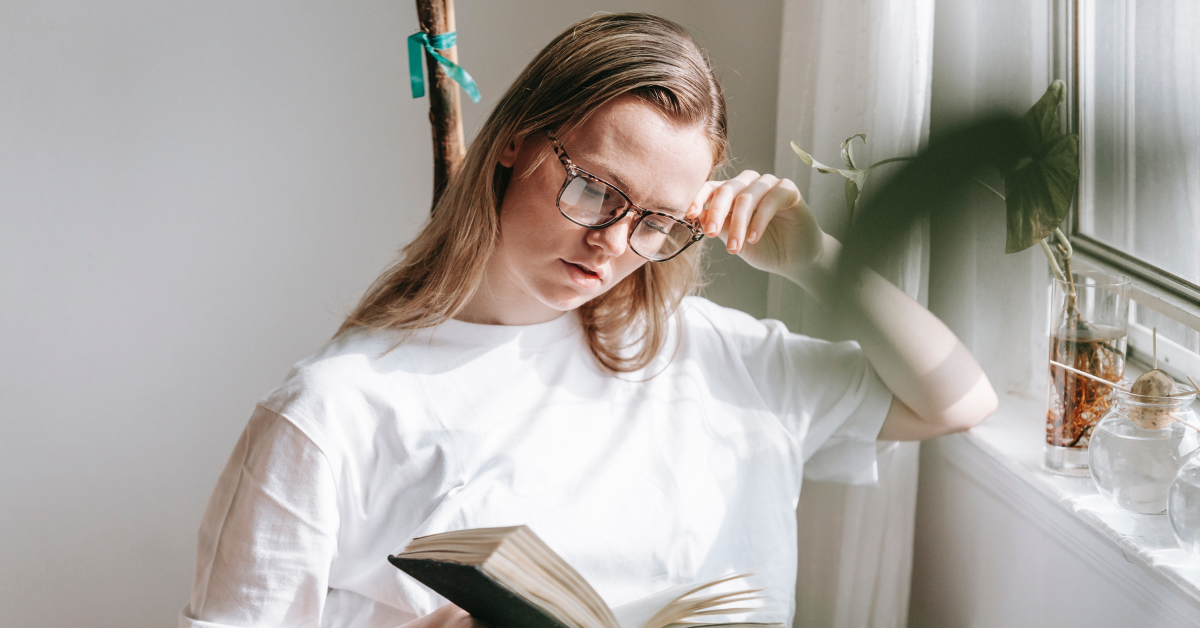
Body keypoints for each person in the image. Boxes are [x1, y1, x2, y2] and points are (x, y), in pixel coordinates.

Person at [179, 12, 997, 628]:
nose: (612, 242)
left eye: (656, 220)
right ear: (516, 141)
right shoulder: (335, 414)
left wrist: (818, 261)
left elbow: (958, 400)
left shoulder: (712, 357)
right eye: (596, 189)